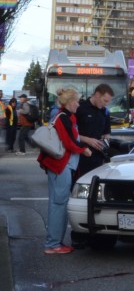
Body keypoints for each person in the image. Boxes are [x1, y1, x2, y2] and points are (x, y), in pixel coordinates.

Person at [37, 87, 92, 254]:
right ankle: (53, 244)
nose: (78, 104)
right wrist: (84, 150)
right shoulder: (64, 118)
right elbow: (69, 143)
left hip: (61, 165)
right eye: (76, 101)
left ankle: (55, 243)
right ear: (69, 102)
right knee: (58, 205)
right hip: (61, 165)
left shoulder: (65, 116)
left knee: (58, 204)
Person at [76, 83, 114, 179]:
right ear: (97, 95)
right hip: (80, 155)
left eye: (108, 102)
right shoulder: (80, 108)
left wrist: (105, 141)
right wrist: (88, 140)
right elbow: (70, 133)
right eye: (105, 101)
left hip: (98, 157)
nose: (106, 104)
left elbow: (106, 133)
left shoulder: (105, 112)